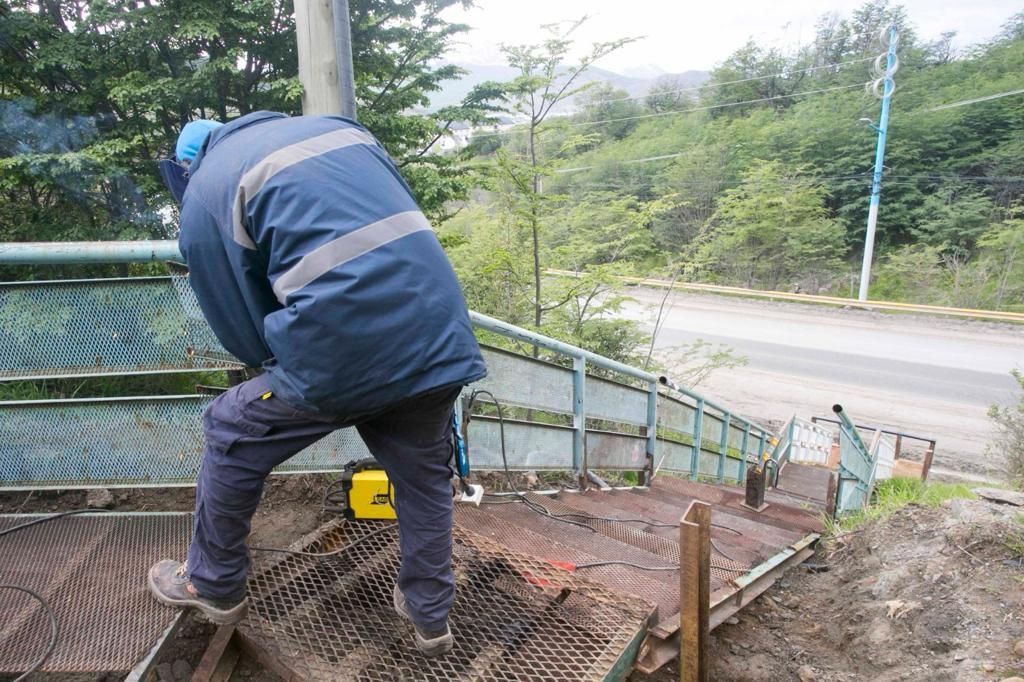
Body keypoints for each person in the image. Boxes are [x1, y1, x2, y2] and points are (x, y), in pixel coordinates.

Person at [148, 112, 486, 657]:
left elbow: (237, 321)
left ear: (187, 168)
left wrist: (276, 367)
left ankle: (212, 584)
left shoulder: (207, 191)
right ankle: (430, 613)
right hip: (438, 335)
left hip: (339, 356)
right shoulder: (340, 130)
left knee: (230, 427)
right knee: (423, 476)